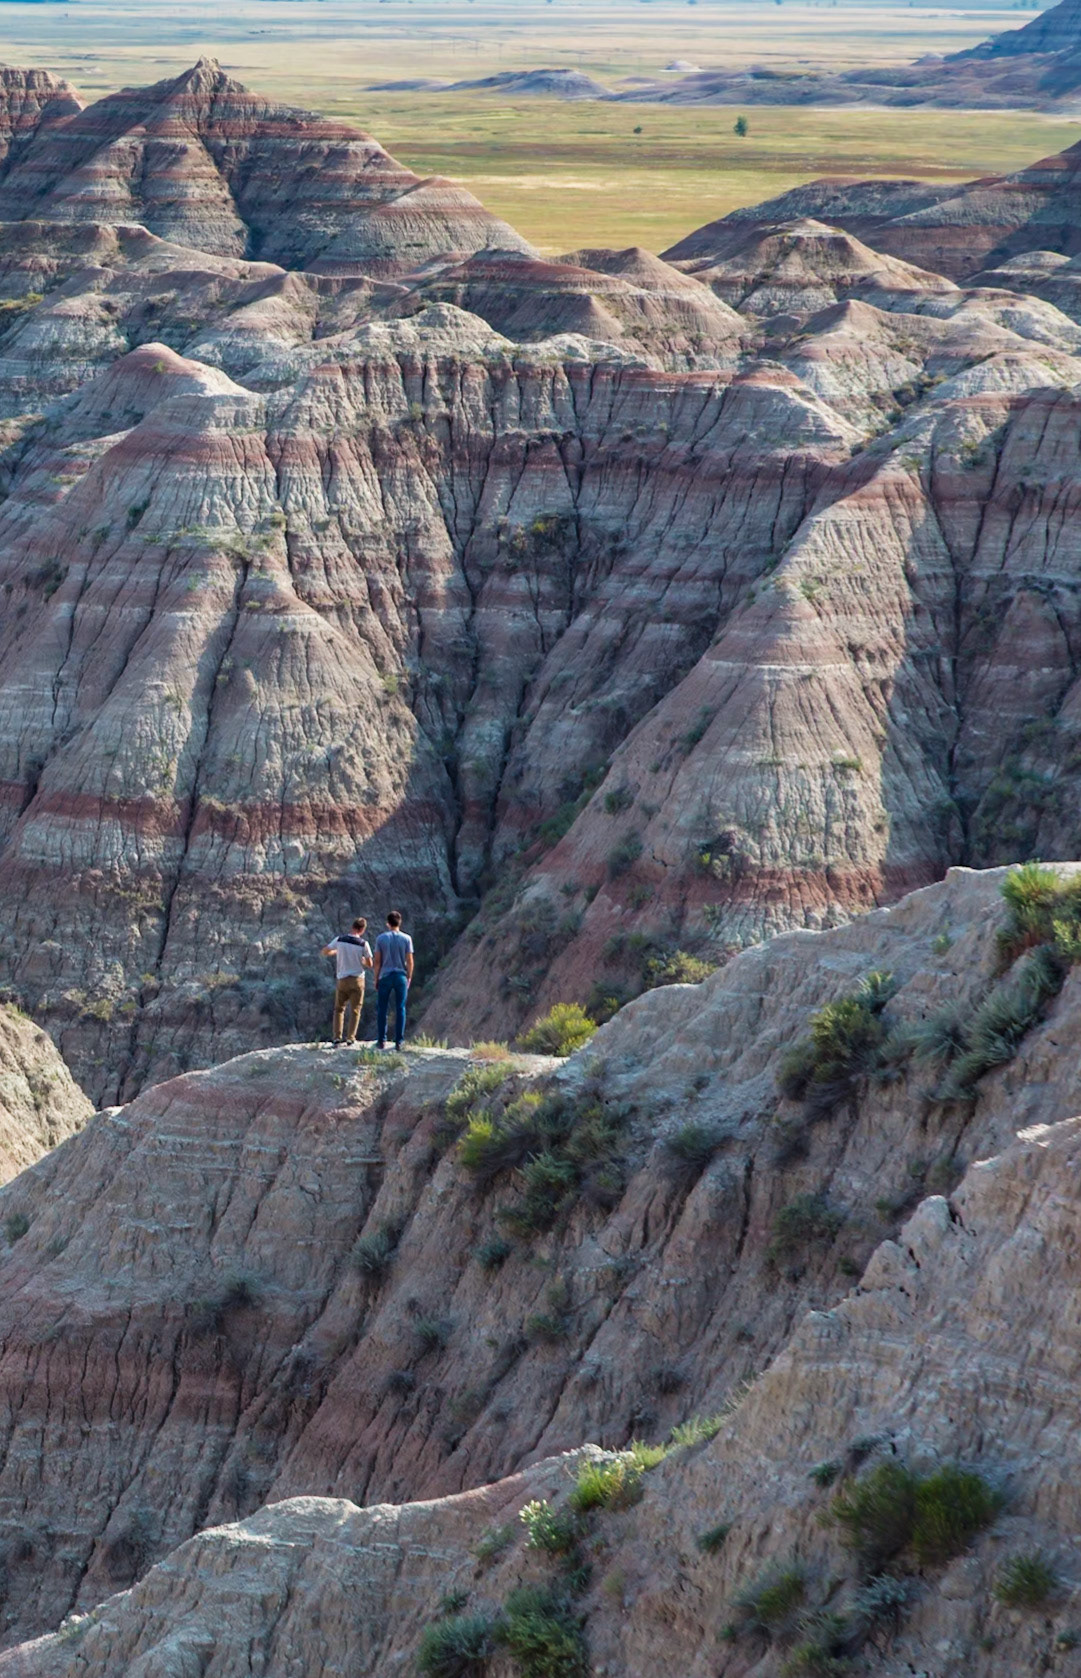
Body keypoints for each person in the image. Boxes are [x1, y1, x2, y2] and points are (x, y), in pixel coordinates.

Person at [321, 918, 373, 1046]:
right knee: (355, 1009)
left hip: (342, 979)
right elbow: (370, 964)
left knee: (339, 1009)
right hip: (357, 979)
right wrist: (362, 961)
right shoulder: (363, 943)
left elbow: (325, 951)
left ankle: (337, 1037)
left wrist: (336, 952)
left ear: (352, 926)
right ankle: (350, 1037)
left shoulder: (340, 940)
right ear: (362, 930)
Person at [373, 910, 413, 1051]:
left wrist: (375, 978)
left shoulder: (381, 939)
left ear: (388, 923)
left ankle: (381, 1041)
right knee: (400, 1008)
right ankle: (399, 1041)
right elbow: (410, 960)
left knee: (382, 1009)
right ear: (399, 922)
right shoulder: (407, 939)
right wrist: (409, 977)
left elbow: (377, 961)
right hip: (401, 976)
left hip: (385, 976)